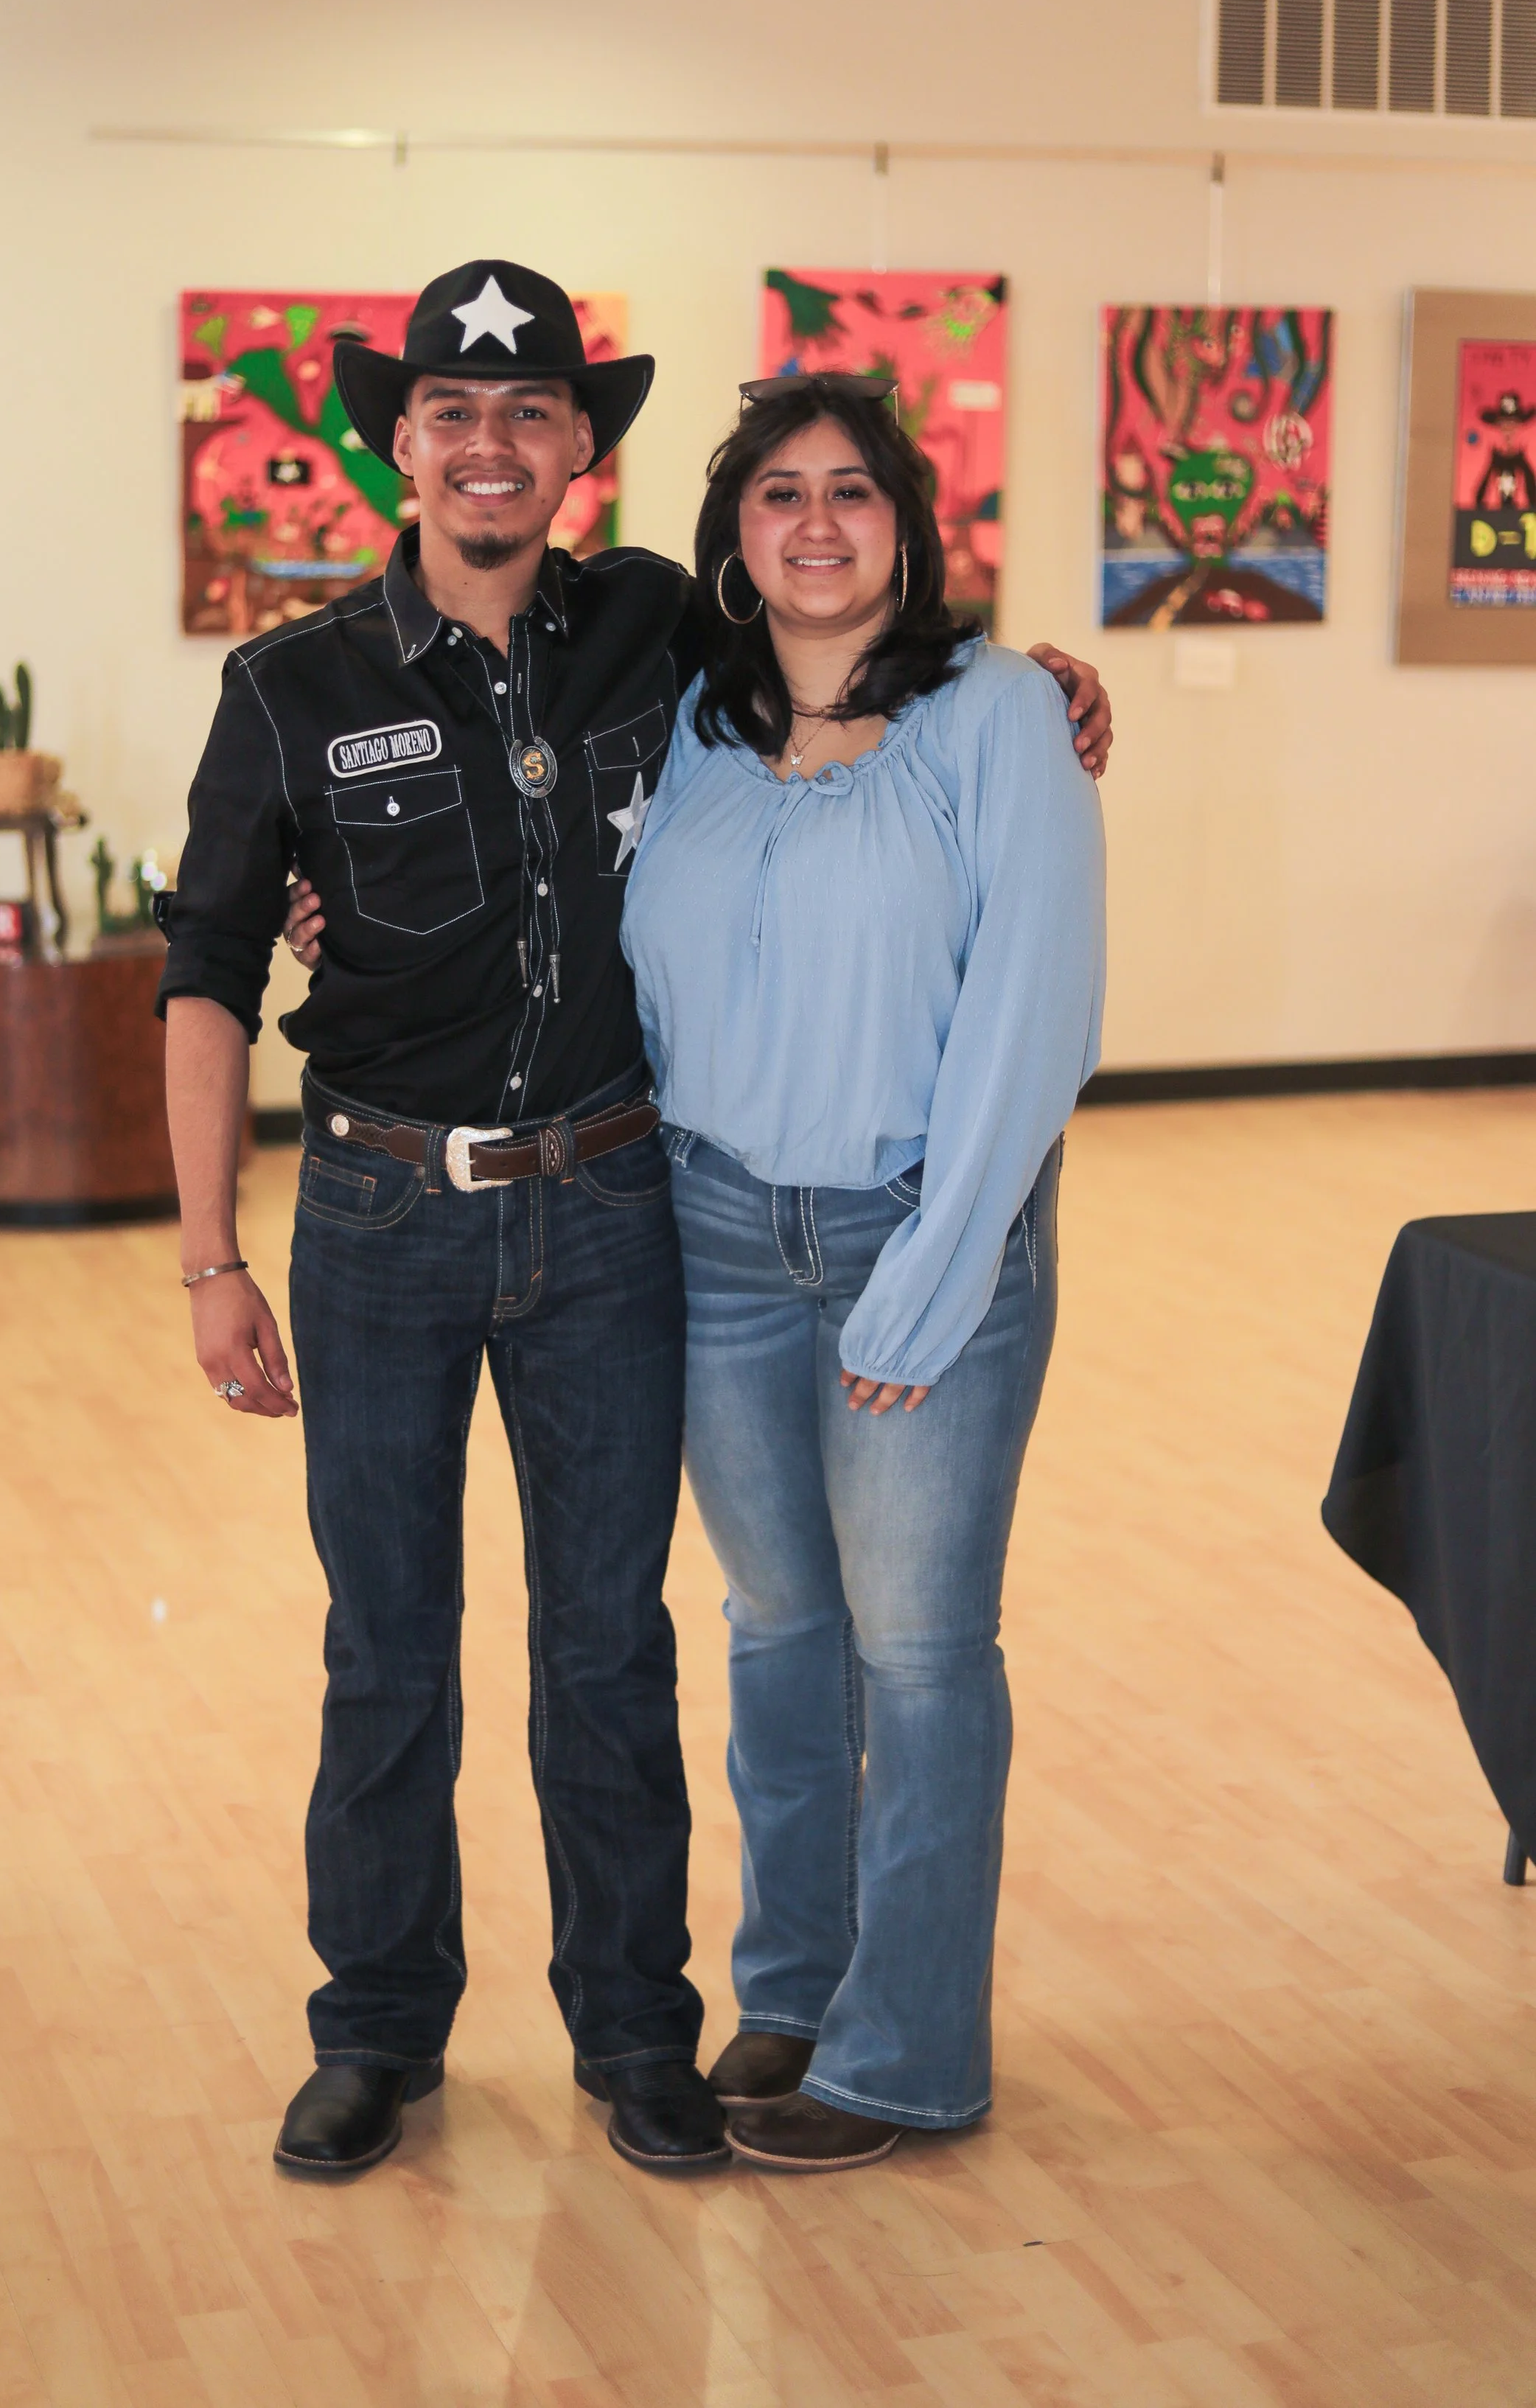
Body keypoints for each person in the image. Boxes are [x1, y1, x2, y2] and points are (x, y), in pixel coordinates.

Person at [172, 260, 1110, 2183]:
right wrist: (208, 1254)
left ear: (577, 448)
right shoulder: (327, 684)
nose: (489, 442)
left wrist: (1051, 688)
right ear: (399, 437)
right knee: (425, 1639)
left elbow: (896, 699)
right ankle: (405, 2025)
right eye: (452, 409)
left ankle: (665, 2033)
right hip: (443, 1211)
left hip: (644, 1206)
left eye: (529, 410)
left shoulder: (677, 638)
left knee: (645, 1641)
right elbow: (210, 963)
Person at [617, 371, 1106, 2170]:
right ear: (731, 536)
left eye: (848, 490)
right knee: (775, 1636)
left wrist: (939, 1266)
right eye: (776, 493)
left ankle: (906, 2056)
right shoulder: (690, 722)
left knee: (915, 1654)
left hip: (918, 1227)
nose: (812, 522)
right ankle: (794, 1992)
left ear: (905, 524)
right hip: (713, 1230)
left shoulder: (1000, 718)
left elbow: (1035, 1010)